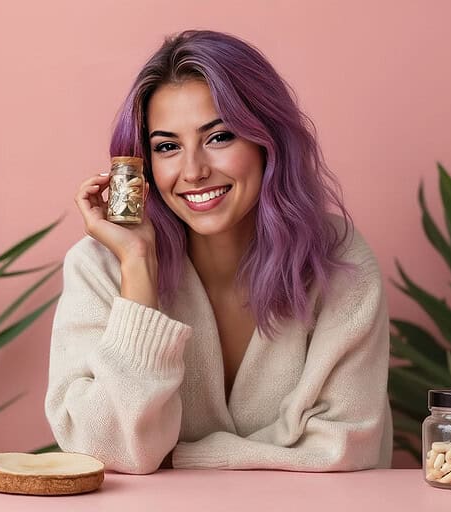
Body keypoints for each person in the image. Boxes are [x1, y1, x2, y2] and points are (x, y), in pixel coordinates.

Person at [45, 30, 393, 474]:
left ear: (268, 142)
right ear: (145, 164)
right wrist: (139, 268)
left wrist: (178, 458)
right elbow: (108, 449)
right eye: (167, 147)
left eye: (220, 137)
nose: (193, 171)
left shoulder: (337, 258)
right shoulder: (99, 267)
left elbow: (345, 449)